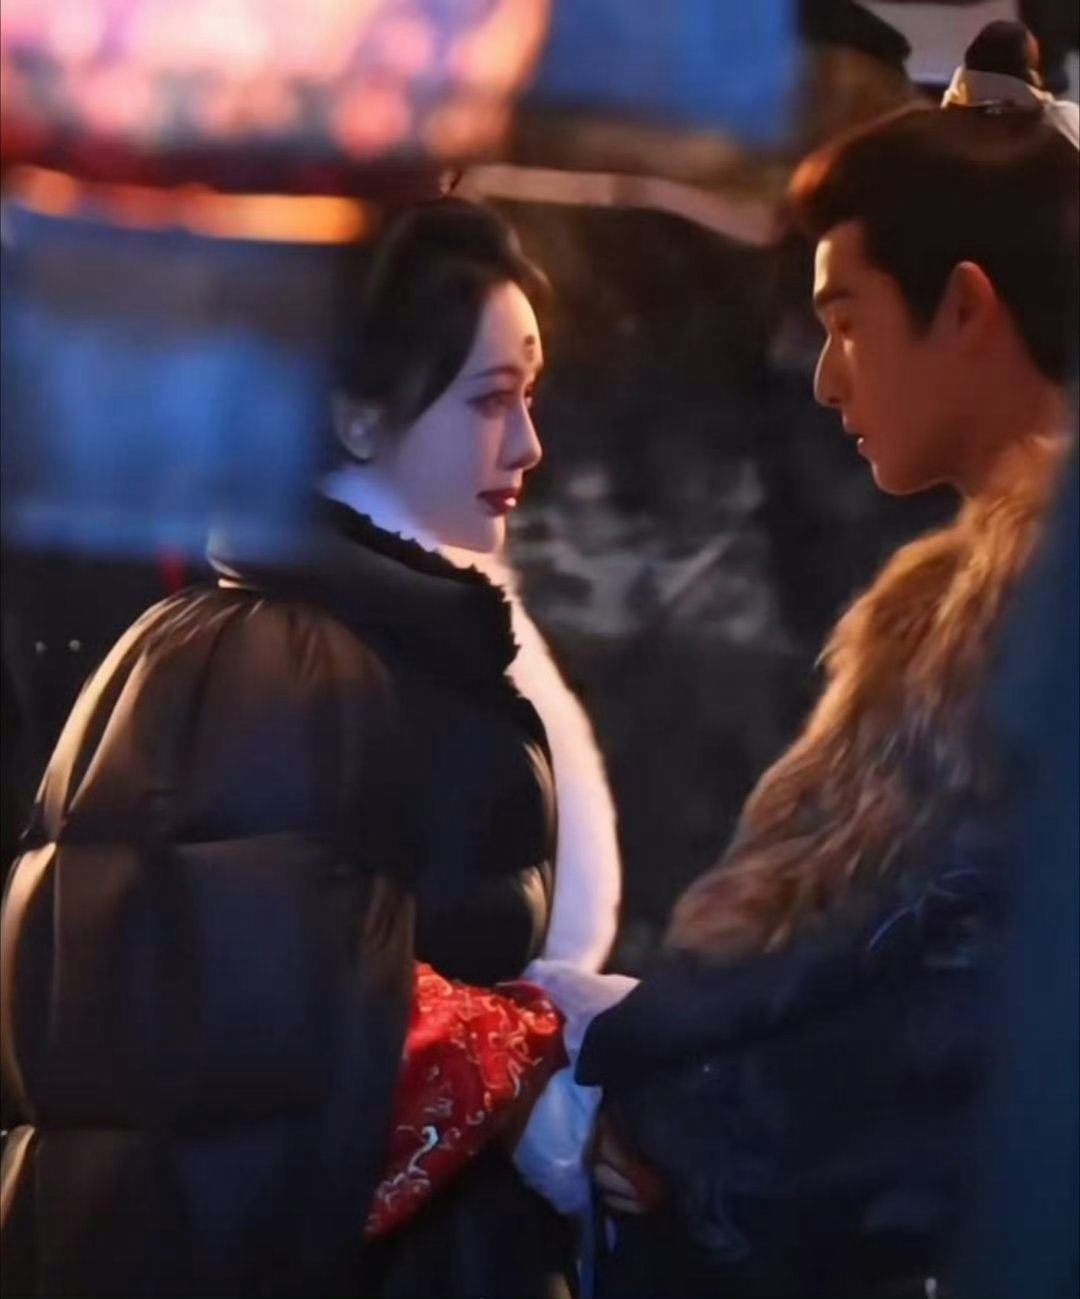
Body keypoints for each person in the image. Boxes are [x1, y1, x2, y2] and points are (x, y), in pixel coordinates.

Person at [522, 20, 1078, 1299]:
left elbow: (945, 1027)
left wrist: (687, 1149)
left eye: (847, 321)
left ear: (966, 310)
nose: (827, 379)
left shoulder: (1019, 625)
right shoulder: (956, 609)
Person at [0, 198, 618, 1299]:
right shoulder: (287, 663)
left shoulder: (360, 640)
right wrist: (531, 1066)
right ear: (357, 415)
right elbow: (262, 1042)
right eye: (491, 399)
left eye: (530, 396)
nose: (529, 443)